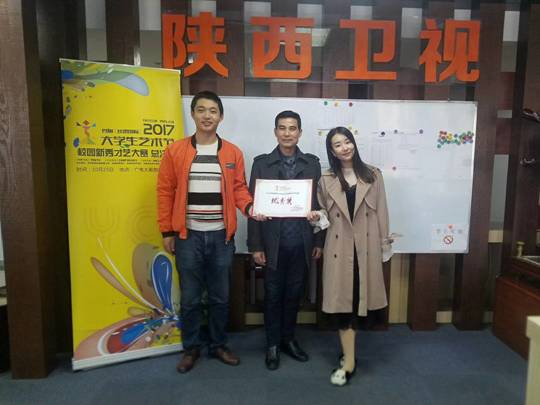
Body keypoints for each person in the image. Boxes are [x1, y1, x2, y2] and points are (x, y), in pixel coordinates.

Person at [157, 90, 254, 373]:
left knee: (220, 297)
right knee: (190, 298)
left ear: (220, 116)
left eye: (213, 111)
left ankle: (218, 345)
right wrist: (167, 230)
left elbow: (239, 189)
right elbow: (165, 191)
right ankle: (191, 348)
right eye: (201, 110)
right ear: (193, 114)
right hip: (188, 237)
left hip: (221, 236)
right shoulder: (176, 150)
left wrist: (250, 208)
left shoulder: (233, 152)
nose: (207, 116)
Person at [311, 126, 392, 386]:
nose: (344, 147)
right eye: (338, 144)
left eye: (347, 141)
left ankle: (348, 355)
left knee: (360, 301)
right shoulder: (326, 179)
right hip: (339, 250)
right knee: (342, 306)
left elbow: (382, 212)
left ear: (354, 143)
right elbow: (323, 213)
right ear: (331, 151)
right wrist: (317, 216)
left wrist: (384, 245)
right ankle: (349, 361)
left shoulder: (373, 175)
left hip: (366, 250)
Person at [247, 110, 323, 370]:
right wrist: (256, 246)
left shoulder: (312, 164)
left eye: (292, 128)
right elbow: (254, 208)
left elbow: (319, 205)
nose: (287, 133)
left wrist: (318, 242)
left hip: (301, 242)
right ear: (275, 132)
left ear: (300, 133)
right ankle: (272, 344)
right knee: (272, 295)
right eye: (282, 128)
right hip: (272, 244)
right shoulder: (261, 164)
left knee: (294, 294)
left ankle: (288, 339)